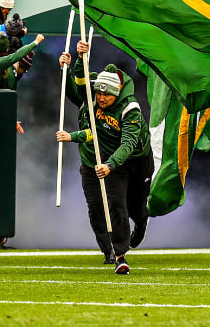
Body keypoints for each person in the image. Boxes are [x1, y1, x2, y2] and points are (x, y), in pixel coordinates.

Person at [56, 40, 149, 274]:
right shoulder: (92, 102)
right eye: (97, 93)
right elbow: (92, 131)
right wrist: (74, 61)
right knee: (105, 206)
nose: (101, 99)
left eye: (105, 95)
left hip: (131, 159)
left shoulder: (130, 109)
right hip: (102, 160)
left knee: (133, 206)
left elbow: (128, 143)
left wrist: (110, 164)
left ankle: (141, 220)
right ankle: (116, 253)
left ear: (116, 94)